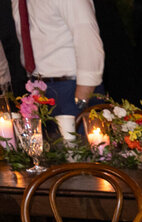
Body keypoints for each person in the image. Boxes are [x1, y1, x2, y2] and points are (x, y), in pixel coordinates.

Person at [11, 0, 104, 135]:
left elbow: (87, 35)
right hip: (39, 89)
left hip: (72, 87)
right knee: (50, 152)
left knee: (83, 151)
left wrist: (83, 97)